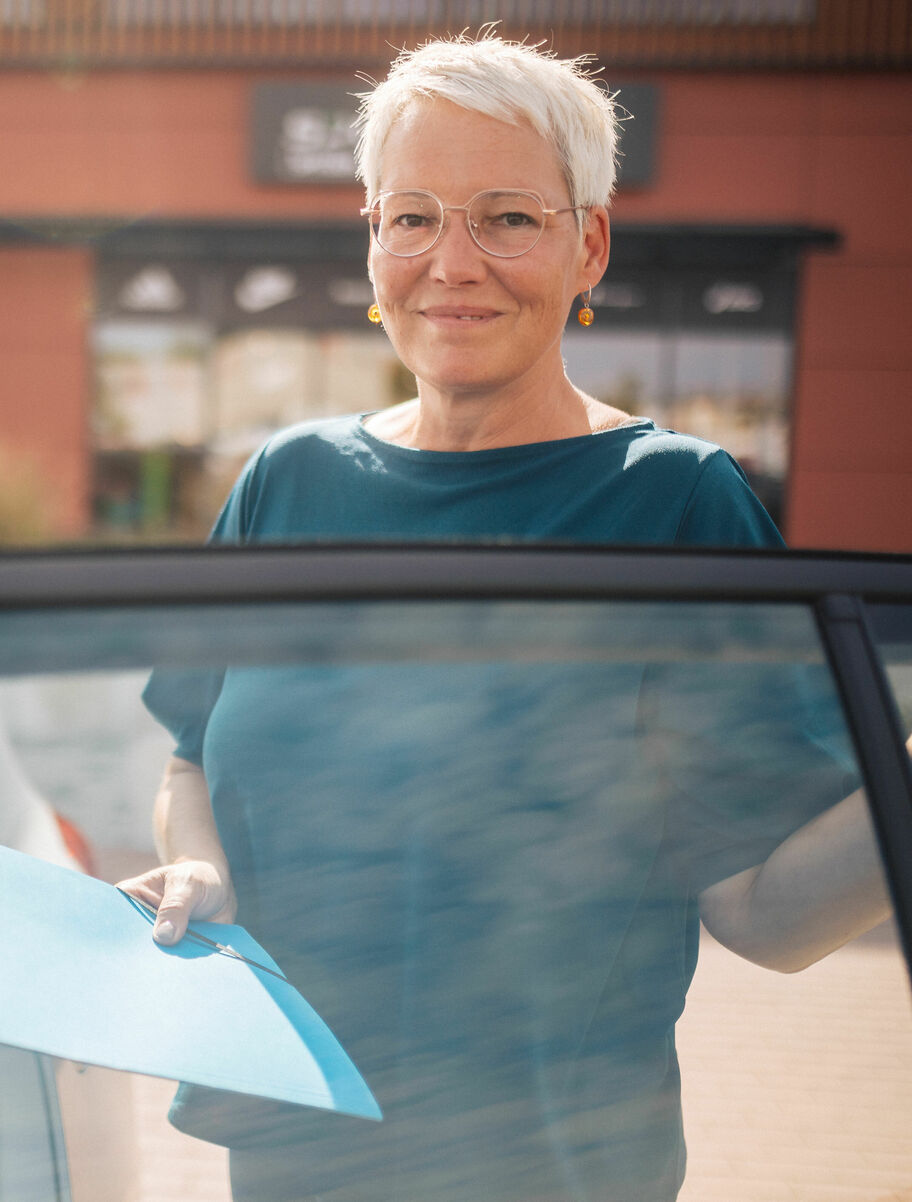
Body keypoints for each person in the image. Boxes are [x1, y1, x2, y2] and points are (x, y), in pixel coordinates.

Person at [118, 34, 899, 1202]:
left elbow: (766, 911)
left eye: (508, 219)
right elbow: (190, 751)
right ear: (372, 239)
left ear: (588, 244)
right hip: (290, 1153)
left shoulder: (674, 499)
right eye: (414, 216)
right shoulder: (286, 481)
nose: (452, 262)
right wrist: (198, 862)